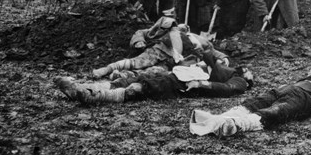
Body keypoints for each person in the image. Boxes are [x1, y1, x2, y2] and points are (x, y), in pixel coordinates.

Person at [189, 41, 311, 137]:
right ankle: (217, 119)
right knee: (255, 103)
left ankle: (234, 124)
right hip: (293, 88)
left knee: (274, 112)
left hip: (306, 97)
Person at [55, 49, 253, 104]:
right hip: (177, 74)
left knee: (139, 88)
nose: (250, 71)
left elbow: (227, 89)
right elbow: (210, 56)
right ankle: (79, 87)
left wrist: (202, 83)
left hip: (183, 84)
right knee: (130, 80)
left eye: (252, 73)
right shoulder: (227, 68)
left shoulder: (239, 80)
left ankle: (93, 96)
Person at [91, 16, 215, 79]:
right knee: (136, 62)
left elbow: (209, 47)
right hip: (158, 50)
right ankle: (106, 69)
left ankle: (123, 76)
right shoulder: (160, 31)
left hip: (176, 63)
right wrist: (138, 42)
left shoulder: (192, 37)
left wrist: (221, 56)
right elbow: (141, 33)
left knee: (154, 72)